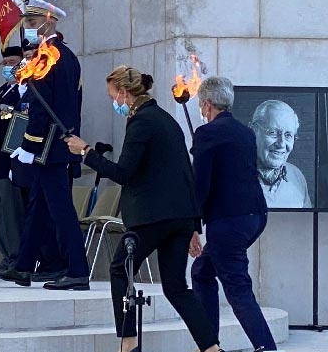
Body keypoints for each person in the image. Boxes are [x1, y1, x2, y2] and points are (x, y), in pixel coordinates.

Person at [66, 66, 220, 352]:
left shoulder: (142, 122)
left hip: (153, 217)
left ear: (125, 93)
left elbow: (123, 172)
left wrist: (86, 152)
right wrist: (192, 225)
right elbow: (186, 172)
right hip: (179, 218)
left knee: (120, 269)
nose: (114, 103)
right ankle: (211, 348)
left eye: (114, 96)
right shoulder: (165, 120)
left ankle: (128, 344)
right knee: (176, 287)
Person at [0, 0, 90, 291]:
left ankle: (78, 270)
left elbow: (41, 107)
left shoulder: (47, 57)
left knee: (61, 210)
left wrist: (28, 145)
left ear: (48, 22)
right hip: (58, 144)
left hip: (50, 146)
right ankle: (24, 266)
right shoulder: (66, 55)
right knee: (38, 207)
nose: (27, 28)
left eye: (32, 23)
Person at [189, 76, 277, 351]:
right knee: (202, 271)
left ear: (206, 104)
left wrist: (193, 225)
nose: (201, 110)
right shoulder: (245, 132)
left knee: (237, 287)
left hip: (228, 221)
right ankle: (209, 344)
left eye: (201, 105)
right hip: (255, 217)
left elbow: (200, 183)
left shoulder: (207, 133)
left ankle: (267, 348)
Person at [0, 46, 27, 278]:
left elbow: (18, 126)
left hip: (13, 159)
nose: (7, 67)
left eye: (12, 62)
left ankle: (17, 259)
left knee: (13, 215)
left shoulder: (22, 91)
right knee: (1, 216)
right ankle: (7, 257)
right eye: (4, 63)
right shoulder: (4, 90)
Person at [250, 100, 311, 209]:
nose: (281, 144)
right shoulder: (230, 176)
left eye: (288, 135)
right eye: (272, 132)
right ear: (253, 131)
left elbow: (306, 224)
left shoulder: (297, 176)